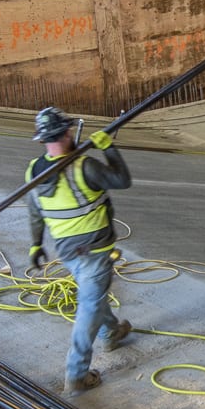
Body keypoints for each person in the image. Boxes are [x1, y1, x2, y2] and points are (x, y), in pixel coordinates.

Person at [24, 107, 134, 393]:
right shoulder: (85, 167)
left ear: (42, 140)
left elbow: (35, 213)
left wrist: (36, 244)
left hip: (67, 252)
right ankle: (76, 374)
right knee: (89, 305)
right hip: (96, 252)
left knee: (92, 295)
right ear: (68, 133)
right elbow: (123, 180)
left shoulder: (34, 170)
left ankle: (111, 332)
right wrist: (109, 148)